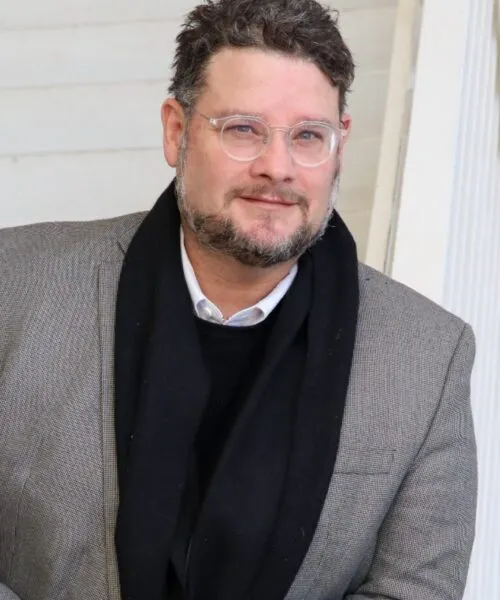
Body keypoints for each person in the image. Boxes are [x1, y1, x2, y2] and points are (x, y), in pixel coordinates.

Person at [0, 0, 477, 599]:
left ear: (340, 147)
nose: (276, 168)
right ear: (177, 131)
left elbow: (416, 590)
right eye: (243, 129)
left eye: (308, 136)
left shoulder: (429, 356)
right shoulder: (12, 288)